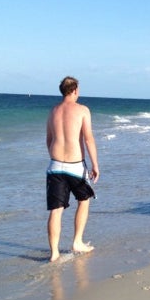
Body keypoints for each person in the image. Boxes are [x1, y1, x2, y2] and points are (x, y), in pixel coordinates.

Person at [46, 76, 99, 262]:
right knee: (84, 200)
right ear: (75, 90)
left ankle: (54, 253)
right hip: (75, 166)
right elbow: (88, 139)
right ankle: (77, 241)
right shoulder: (82, 110)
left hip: (55, 165)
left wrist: (56, 158)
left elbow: (49, 139)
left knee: (56, 210)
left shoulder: (53, 111)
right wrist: (95, 164)